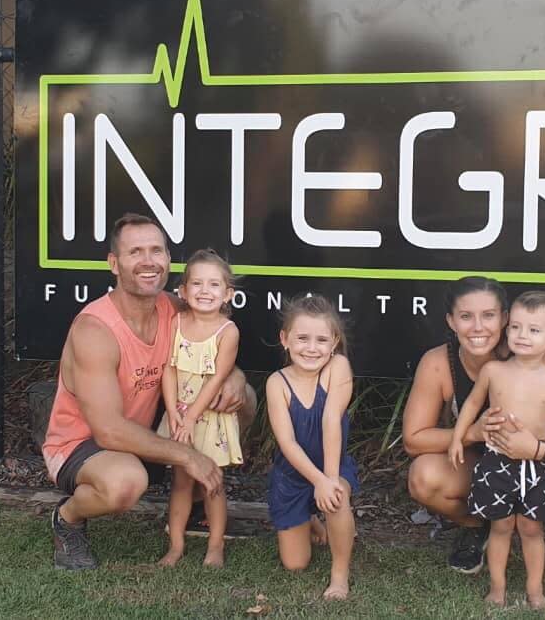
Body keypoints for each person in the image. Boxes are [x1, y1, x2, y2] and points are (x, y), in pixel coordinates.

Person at [43, 213, 256, 571]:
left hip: (145, 433)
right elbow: (108, 429)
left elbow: (211, 351)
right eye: (135, 252)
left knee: (243, 398)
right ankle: (67, 518)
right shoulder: (95, 329)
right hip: (84, 443)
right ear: (114, 263)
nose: (148, 261)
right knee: (126, 482)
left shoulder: (172, 309)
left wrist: (234, 375)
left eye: (156, 251)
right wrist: (189, 457)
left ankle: (198, 498)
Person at [402, 276, 545, 596]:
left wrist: (536, 449)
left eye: (488, 316)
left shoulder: (542, 359)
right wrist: (472, 432)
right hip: (490, 466)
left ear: (503, 318)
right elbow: (413, 440)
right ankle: (477, 528)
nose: (477, 327)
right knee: (424, 476)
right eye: (466, 316)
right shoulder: (438, 362)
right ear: (451, 321)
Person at [449, 291, 545, 608]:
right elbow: (472, 405)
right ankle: (497, 588)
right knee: (501, 526)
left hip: (535, 468)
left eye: (534, 330)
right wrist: (457, 437)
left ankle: (535, 592)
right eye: (516, 327)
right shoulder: (494, 371)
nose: (522, 336)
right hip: (497, 462)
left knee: (532, 529)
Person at [265, 294, 359, 600]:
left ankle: (340, 575)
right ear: (285, 339)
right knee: (295, 564)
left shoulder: (338, 367)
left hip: (331, 464)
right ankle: (311, 519)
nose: (311, 347)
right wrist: (316, 480)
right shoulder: (277, 383)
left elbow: (331, 419)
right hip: (292, 475)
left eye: (321, 339)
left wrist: (328, 480)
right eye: (302, 338)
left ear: (334, 343)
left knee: (337, 496)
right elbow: (287, 442)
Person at [158, 249, 243, 568]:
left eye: (214, 285)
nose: (205, 291)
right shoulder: (175, 322)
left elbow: (219, 377)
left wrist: (192, 416)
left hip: (209, 420)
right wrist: (175, 413)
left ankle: (215, 546)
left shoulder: (227, 332)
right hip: (179, 418)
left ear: (227, 294)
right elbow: (168, 368)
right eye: (196, 284)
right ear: (182, 291)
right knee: (180, 483)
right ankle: (176, 545)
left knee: (212, 483)